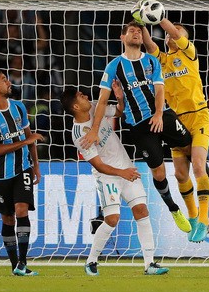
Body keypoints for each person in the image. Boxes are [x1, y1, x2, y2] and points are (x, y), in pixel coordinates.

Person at [80, 20, 192, 234]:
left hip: (162, 115)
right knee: (159, 173)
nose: (136, 33)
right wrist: (94, 130)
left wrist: (159, 114)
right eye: (131, 31)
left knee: (191, 147)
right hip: (139, 126)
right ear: (122, 38)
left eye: (139, 31)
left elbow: (160, 91)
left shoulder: (151, 60)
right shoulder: (114, 66)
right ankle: (174, 208)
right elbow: (102, 101)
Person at [60, 83, 169, 276]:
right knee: (112, 219)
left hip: (125, 168)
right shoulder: (79, 135)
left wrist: (119, 97)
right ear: (75, 107)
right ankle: (91, 260)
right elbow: (99, 165)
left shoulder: (95, 106)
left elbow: (119, 112)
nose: (85, 95)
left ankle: (150, 264)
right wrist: (121, 173)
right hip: (107, 176)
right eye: (80, 96)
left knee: (142, 211)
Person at [138, 12, 209, 243]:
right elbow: (148, 42)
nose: (170, 37)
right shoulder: (161, 60)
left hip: (198, 116)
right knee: (179, 174)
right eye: (167, 36)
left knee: (198, 165)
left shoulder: (189, 53)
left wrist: (157, 16)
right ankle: (194, 216)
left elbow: (176, 33)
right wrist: (141, 20)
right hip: (176, 121)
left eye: (174, 34)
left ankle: (205, 221)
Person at [0, 70, 44, 276]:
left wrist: (35, 166)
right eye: (4, 80)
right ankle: (15, 264)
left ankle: (23, 263)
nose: (9, 82)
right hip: (0, 175)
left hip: (22, 168)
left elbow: (29, 137)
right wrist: (25, 141)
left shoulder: (18, 107)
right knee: (8, 218)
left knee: (22, 209)